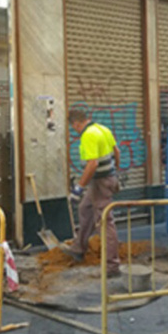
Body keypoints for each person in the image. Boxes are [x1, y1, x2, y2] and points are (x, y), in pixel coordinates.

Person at [60, 109, 122, 277]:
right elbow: (117, 152)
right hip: (104, 180)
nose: (74, 130)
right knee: (85, 208)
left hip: (100, 183)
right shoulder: (103, 129)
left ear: (76, 124)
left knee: (105, 222)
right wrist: (116, 172)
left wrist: (79, 187)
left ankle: (112, 266)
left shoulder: (88, 135)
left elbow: (92, 164)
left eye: (73, 127)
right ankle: (78, 248)